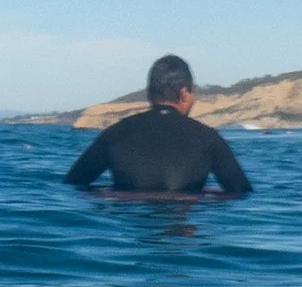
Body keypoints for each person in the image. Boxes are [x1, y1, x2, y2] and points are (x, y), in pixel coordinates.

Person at [64, 55, 250, 196]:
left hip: (127, 232)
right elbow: (241, 192)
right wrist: (206, 195)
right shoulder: (209, 138)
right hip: (186, 239)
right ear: (185, 93)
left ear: (149, 95)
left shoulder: (114, 133)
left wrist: (111, 193)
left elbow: (72, 185)